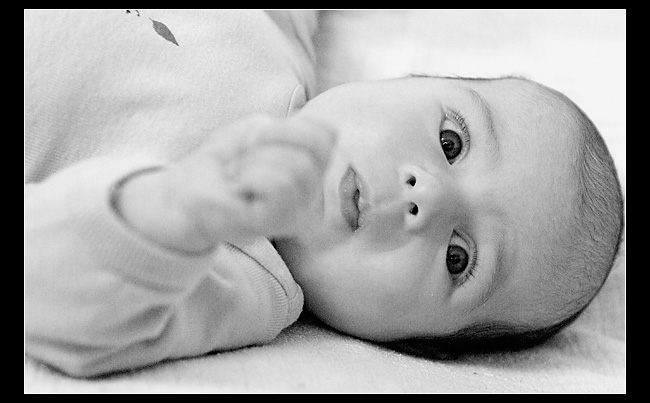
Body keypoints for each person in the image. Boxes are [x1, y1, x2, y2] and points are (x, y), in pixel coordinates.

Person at [24, 10, 624, 377]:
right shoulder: (279, 32)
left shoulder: (243, 277)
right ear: (407, 80)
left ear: (413, 345)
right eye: (451, 141)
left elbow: (54, 300)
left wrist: (177, 210)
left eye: (458, 258)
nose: (428, 196)